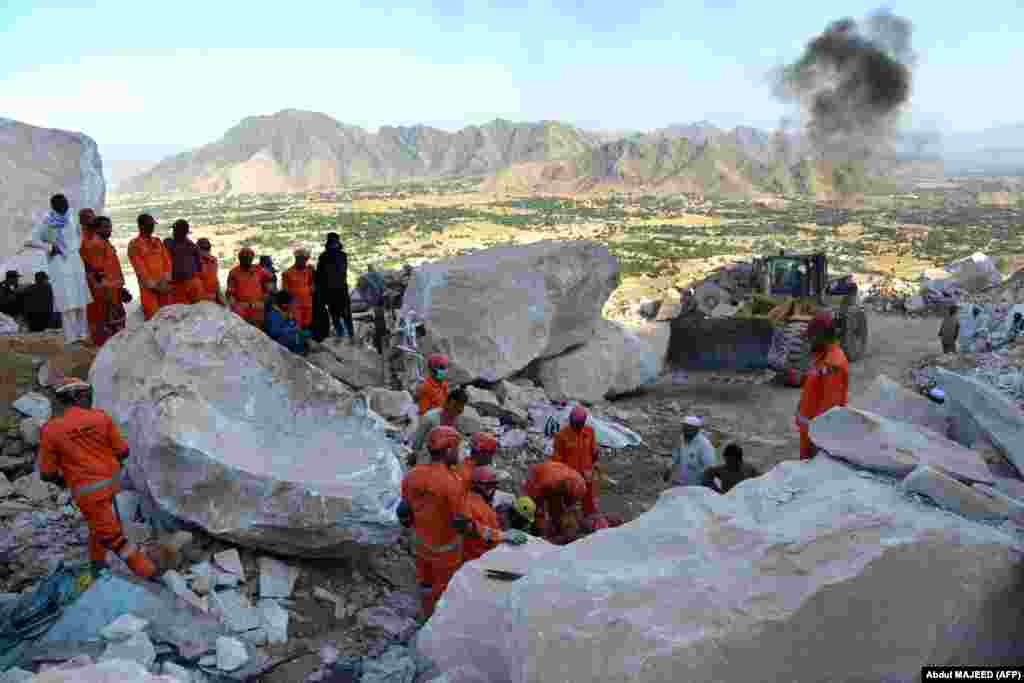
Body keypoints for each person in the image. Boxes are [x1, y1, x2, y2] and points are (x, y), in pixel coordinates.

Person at [38, 380, 158, 579]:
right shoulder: (101, 418)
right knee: (100, 529)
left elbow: (46, 473)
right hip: (111, 485)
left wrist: (65, 480)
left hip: (87, 493)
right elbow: (123, 451)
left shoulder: (52, 430)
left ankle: (148, 572)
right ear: (76, 397)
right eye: (86, 395)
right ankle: (100, 569)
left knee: (112, 537)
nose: (89, 399)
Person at [398, 426, 469, 618]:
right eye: (457, 448)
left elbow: (404, 511)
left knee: (425, 583)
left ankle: (425, 612)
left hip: (420, 545)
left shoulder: (413, 475)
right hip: (446, 552)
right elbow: (460, 523)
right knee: (443, 589)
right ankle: (437, 620)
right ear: (448, 450)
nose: (459, 453)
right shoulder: (453, 482)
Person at [28, 194, 92, 344]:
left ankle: (83, 334)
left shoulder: (72, 217)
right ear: (54, 206)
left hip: (75, 261)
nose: (64, 207)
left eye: (65, 204)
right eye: (61, 205)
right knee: (67, 302)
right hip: (59, 264)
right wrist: (49, 247)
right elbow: (30, 240)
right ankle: (71, 338)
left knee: (80, 299)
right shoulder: (47, 221)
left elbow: (79, 234)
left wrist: (75, 248)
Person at [795, 311, 849, 460]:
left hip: (816, 440)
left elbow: (830, 409)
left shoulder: (833, 364)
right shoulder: (822, 358)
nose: (809, 341)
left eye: (812, 336)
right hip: (809, 435)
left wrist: (817, 442)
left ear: (821, 335)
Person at [461, 466, 528, 563]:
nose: (493, 490)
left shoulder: (478, 503)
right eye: (490, 486)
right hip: (476, 559)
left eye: (494, 486)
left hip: (481, 557)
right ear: (480, 486)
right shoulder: (474, 505)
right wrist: (502, 536)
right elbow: (473, 527)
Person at [84, 217, 127, 347]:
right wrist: (108, 293)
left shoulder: (104, 243)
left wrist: (120, 289)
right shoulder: (96, 245)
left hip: (113, 291)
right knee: (109, 327)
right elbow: (98, 273)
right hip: (106, 294)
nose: (110, 230)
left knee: (115, 326)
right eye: (106, 227)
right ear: (97, 229)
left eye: (110, 226)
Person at [551, 405, 601, 516]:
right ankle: (568, 518)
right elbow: (556, 459)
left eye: (579, 423)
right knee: (569, 500)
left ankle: (589, 516)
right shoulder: (561, 436)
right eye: (574, 423)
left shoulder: (589, 432)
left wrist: (595, 462)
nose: (576, 426)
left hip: (586, 472)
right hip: (570, 474)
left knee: (589, 500)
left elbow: (594, 451)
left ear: (583, 422)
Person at [521, 460, 587, 542]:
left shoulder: (578, 486)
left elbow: (570, 508)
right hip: (542, 477)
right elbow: (538, 507)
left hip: (559, 476)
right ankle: (539, 534)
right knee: (536, 511)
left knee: (562, 511)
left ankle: (559, 530)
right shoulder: (543, 485)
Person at [407, 386, 468, 466]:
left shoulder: (458, 422)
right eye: (455, 406)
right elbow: (417, 443)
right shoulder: (430, 418)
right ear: (447, 403)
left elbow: (459, 444)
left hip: (447, 463)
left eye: (461, 407)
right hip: (427, 460)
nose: (459, 410)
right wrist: (414, 457)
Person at [127, 213, 172, 320]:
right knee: (153, 320)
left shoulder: (157, 241)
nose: (152, 227)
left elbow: (167, 262)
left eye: (153, 225)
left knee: (168, 317)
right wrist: (154, 286)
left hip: (164, 286)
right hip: (149, 289)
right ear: (141, 226)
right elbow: (139, 268)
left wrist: (166, 280)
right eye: (149, 225)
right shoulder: (134, 244)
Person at [315, 233, 355, 342]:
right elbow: (320, 275)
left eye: (335, 242)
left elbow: (340, 273)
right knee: (335, 315)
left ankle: (351, 335)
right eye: (333, 243)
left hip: (340, 289)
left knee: (345, 314)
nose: (334, 245)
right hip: (332, 290)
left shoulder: (340, 256)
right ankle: (341, 334)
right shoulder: (325, 257)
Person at [664, 416, 717, 486]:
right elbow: (675, 455)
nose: (685, 431)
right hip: (682, 482)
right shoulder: (682, 438)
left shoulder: (705, 445)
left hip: (698, 485)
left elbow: (710, 468)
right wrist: (669, 468)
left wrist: (706, 484)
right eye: (684, 428)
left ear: (696, 430)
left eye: (688, 428)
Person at [227, 247, 273, 327]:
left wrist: (267, 293)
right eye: (244, 257)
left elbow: (270, 280)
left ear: (252, 258)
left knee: (258, 331)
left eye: (249, 257)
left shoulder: (259, 270)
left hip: (258, 308)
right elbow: (230, 293)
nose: (247, 259)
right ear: (240, 258)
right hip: (241, 309)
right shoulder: (234, 272)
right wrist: (234, 306)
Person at [162, 220, 204, 305]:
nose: (173, 232)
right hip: (187, 282)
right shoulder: (192, 246)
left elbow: (199, 265)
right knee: (195, 310)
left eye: (175, 230)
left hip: (182, 284)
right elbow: (200, 265)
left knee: (184, 312)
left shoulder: (169, 244)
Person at [264, 290, 309, 354]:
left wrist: (295, 327)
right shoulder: (273, 314)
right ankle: (298, 352)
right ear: (283, 304)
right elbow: (274, 332)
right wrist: (290, 329)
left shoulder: (285, 312)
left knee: (302, 335)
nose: (289, 305)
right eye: (288, 303)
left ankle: (302, 349)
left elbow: (292, 324)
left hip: (286, 338)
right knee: (295, 337)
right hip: (277, 341)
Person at [356, 265, 388, 354]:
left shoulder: (367, 278)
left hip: (374, 305)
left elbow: (361, 289)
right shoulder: (376, 277)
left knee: (377, 326)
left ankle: (378, 347)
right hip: (377, 305)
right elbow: (381, 289)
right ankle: (379, 347)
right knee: (379, 326)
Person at [282, 249, 315, 329]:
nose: (304, 261)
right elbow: (285, 290)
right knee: (296, 325)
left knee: (307, 324)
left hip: (308, 303)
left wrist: (311, 289)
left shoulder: (309, 271)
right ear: (296, 259)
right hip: (295, 305)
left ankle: (306, 339)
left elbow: (313, 283)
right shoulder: (287, 273)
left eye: (305, 259)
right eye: (302, 259)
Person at [196, 238, 224, 304]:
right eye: (203, 248)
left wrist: (218, 295)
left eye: (206, 248)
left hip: (212, 298)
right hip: (199, 299)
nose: (205, 252)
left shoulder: (214, 260)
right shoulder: (194, 260)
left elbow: (215, 279)